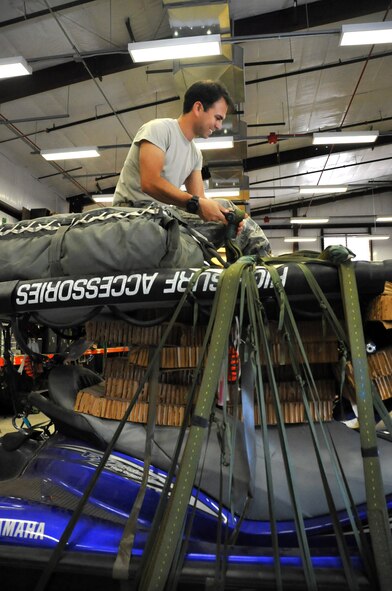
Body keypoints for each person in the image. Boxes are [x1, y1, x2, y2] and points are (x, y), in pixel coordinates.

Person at [113, 79, 271, 256]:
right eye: (217, 118)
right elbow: (149, 183)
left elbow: (200, 203)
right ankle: (264, 266)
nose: (219, 126)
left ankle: (251, 268)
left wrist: (227, 217)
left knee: (229, 215)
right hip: (134, 213)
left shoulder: (195, 153)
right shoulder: (158, 129)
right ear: (198, 108)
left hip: (164, 216)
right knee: (225, 207)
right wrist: (198, 204)